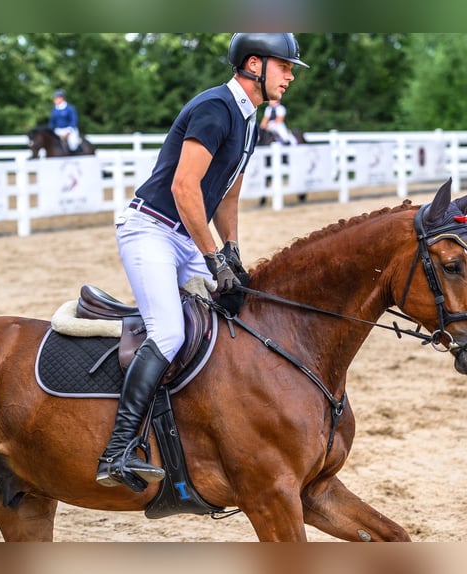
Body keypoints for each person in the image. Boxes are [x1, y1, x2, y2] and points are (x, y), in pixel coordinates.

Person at [96, 33, 309, 491]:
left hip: (188, 238)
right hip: (151, 231)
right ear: (255, 64)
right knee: (170, 331)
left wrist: (231, 248)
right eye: (285, 66)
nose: (291, 75)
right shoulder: (215, 108)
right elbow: (184, 188)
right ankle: (118, 450)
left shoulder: (250, 118)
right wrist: (212, 258)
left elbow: (228, 187)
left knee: (233, 312)